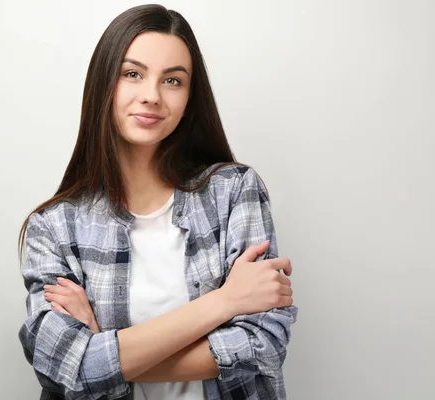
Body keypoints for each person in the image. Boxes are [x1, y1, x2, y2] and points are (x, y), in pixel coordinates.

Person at [18, 4, 298, 400]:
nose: (151, 96)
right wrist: (226, 301)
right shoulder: (54, 226)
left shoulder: (234, 191)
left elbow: (261, 344)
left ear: (189, 97)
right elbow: (61, 366)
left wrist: (104, 350)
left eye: (172, 80)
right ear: (104, 84)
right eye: (132, 74)